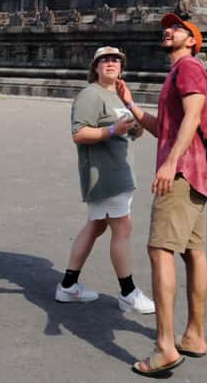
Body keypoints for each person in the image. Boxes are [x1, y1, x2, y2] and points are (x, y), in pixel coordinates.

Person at [116, 14, 207, 378]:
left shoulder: (188, 68)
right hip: (198, 174)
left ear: (192, 40)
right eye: (168, 27)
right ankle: (194, 336)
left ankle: (164, 346)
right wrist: (131, 104)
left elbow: (192, 118)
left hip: (181, 173)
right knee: (193, 252)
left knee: (160, 250)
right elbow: (165, 127)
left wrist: (169, 163)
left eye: (177, 28)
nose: (168, 30)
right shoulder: (178, 73)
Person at [55, 45, 155, 315]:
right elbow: (79, 133)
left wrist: (134, 126)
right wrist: (111, 130)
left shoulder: (118, 95)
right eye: (104, 60)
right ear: (95, 67)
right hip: (106, 175)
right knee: (122, 229)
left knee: (96, 226)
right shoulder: (91, 94)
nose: (110, 63)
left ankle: (68, 285)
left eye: (115, 60)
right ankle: (128, 292)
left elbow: (132, 133)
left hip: (118, 170)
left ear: (121, 67)